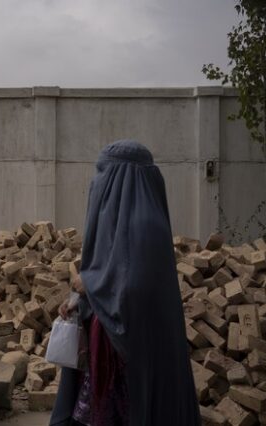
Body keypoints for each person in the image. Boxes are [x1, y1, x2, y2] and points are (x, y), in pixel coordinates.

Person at [49, 140, 200, 426]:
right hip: (109, 339)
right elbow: (109, 268)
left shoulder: (145, 224)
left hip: (124, 349)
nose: (97, 182)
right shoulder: (121, 219)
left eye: (103, 173)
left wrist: (88, 284)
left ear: (118, 179)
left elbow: (135, 287)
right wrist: (78, 298)